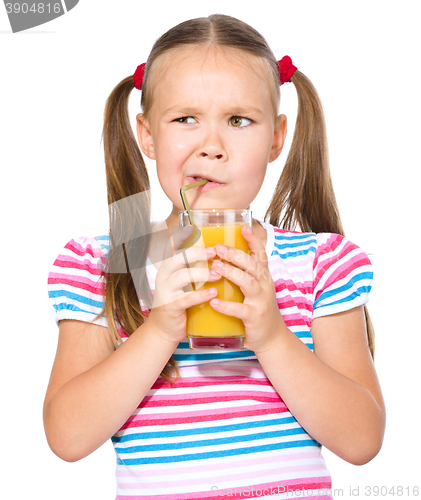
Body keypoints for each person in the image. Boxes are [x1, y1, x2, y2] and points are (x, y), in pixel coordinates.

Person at [44, 14, 385, 500]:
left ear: (275, 138)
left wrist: (271, 335)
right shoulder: (104, 264)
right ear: (146, 134)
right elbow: (67, 436)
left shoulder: (321, 265)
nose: (211, 147)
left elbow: (362, 439)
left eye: (239, 120)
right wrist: (160, 328)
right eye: (185, 119)